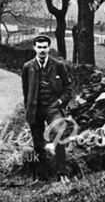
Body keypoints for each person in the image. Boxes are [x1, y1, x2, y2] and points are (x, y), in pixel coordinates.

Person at [21, 35, 72, 181]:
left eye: (45, 47)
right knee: (38, 143)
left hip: (53, 107)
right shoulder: (27, 67)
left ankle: (62, 173)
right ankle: (41, 176)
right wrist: (28, 110)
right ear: (34, 48)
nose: (42, 50)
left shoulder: (58, 66)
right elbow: (26, 92)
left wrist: (61, 102)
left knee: (58, 134)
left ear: (49, 48)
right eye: (39, 47)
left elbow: (68, 88)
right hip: (35, 109)